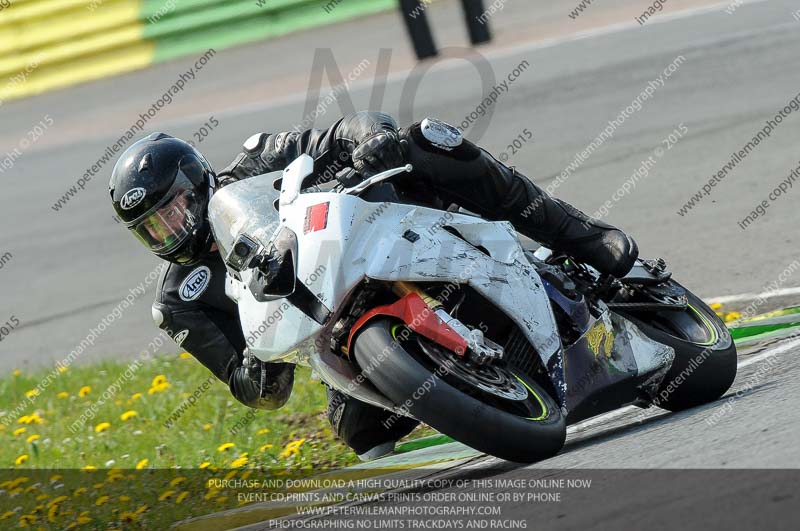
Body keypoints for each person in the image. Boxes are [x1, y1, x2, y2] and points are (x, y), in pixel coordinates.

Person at [109, 111, 638, 460]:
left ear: (198, 181)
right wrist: (256, 371)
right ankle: (483, 386)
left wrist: (369, 139)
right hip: (339, 341)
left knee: (425, 139)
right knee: (357, 431)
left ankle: (584, 237)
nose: (172, 229)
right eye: (154, 227)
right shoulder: (181, 300)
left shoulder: (257, 163)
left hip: (400, 236)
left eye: (175, 208)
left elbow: (338, 132)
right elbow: (252, 389)